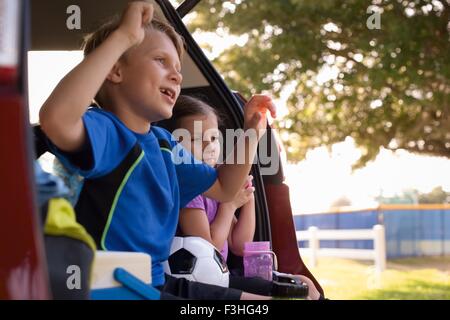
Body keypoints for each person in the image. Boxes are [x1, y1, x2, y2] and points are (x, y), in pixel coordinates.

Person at [38, 2, 276, 300]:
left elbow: (226, 187)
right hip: (111, 287)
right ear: (114, 69)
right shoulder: (105, 131)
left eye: (177, 69)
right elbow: (56, 119)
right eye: (161, 61)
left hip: (154, 279)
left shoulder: (164, 143)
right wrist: (124, 36)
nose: (177, 76)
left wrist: (251, 132)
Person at [162, 95, 322, 300]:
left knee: (305, 284)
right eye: (195, 139)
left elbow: (240, 243)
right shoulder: (191, 191)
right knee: (294, 294)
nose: (208, 146)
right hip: (203, 280)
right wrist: (229, 205)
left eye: (213, 138)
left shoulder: (216, 189)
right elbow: (210, 247)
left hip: (222, 274)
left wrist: (246, 195)